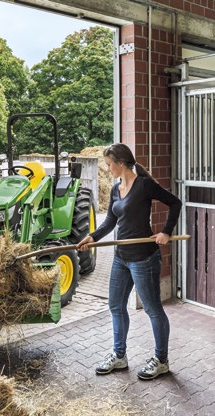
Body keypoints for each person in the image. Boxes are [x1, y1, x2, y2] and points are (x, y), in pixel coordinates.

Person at [77, 143, 182, 380]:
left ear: (121, 163)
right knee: (115, 305)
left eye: (109, 164)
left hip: (143, 258)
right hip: (121, 258)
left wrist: (166, 231)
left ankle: (161, 360)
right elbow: (110, 222)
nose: (108, 169)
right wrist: (92, 237)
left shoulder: (144, 186)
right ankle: (119, 355)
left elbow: (175, 202)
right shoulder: (115, 189)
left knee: (152, 309)